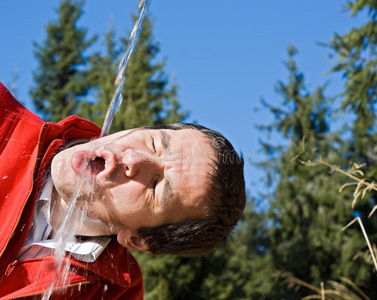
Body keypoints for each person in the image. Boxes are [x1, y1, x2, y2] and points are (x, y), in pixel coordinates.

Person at [0, 82, 246, 299]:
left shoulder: (107, 294)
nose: (135, 159)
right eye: (154, 143)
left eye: (155, 186)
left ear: (139, 239)